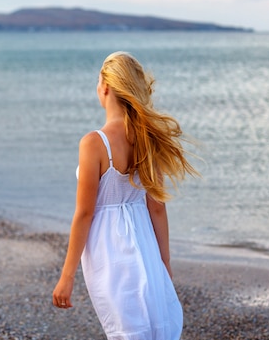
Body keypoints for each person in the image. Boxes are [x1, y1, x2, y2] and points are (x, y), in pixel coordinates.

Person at [52, 51, 198, 340]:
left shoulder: (94, 142)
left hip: (109, 249)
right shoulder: (146, 137)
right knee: (152, 326)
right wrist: (164, 263)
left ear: (105, 87)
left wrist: (67, 277)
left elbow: (84, 214)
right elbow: (157, 207)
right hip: (144, 243)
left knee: (125, 328)